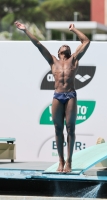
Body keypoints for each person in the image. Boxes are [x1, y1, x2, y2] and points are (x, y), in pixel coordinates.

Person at [14, 21, 90, 173]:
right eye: (63, 46)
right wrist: (26, 30)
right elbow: (38, 44)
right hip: (57, 96)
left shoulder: (74, 59)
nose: (65, 45)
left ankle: (69, 161)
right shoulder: (52, 60)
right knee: (57, 129)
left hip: (70, 95)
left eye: (67, 46)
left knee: (71, 128)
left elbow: (86, 41)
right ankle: (60, 161)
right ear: (59, 51)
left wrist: (74, 29)